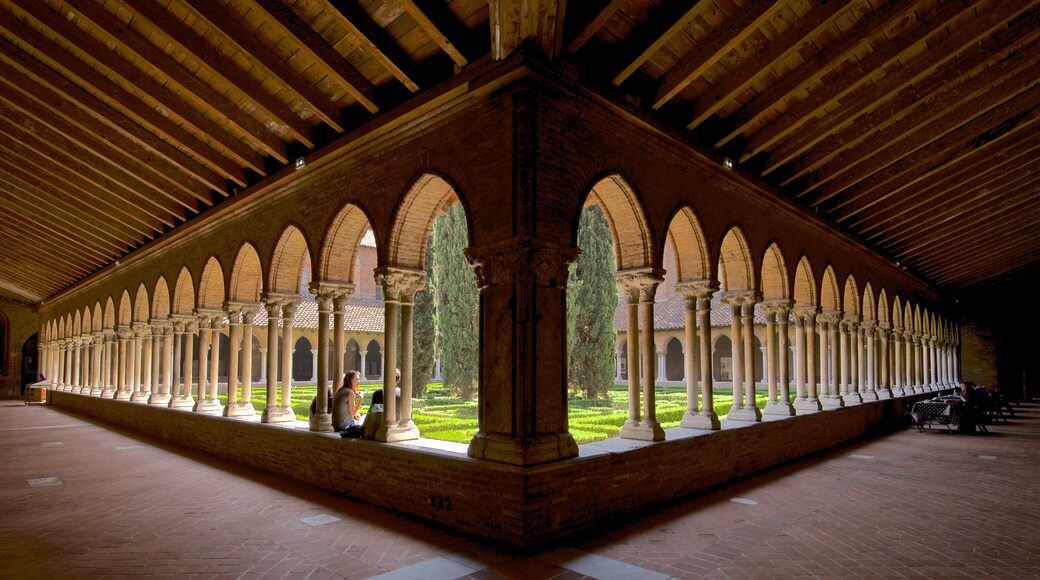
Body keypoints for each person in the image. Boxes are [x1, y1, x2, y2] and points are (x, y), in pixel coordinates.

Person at [362, 368, 401, 440]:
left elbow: (372, 415)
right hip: (399, 429)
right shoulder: (403, 394)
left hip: (381, 430)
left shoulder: (378, 393)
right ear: (398, 380)